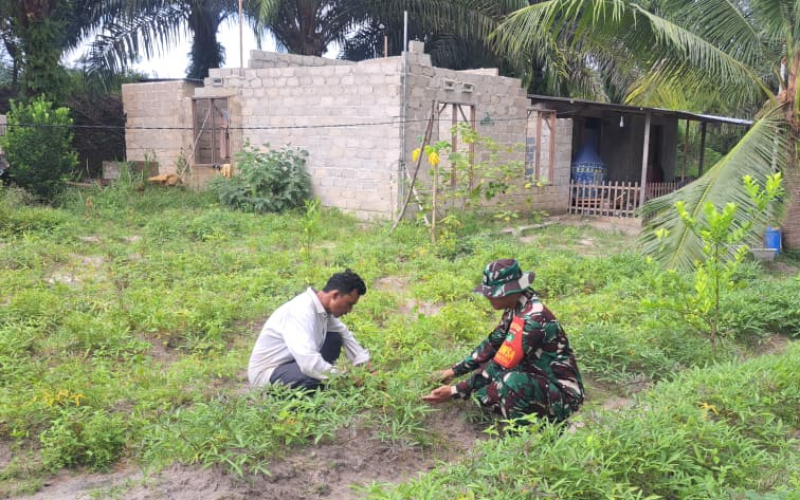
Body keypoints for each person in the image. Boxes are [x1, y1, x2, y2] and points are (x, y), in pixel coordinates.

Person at [423, 259, 584, 423]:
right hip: (536, 375)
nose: (487, 296)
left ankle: (531, 436)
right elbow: (493, 343)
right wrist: (453, 371)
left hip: (563, 395)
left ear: (513, 291)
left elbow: (499, 365)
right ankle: (529, 412)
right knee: (483, 394)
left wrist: (454, 391)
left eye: (494, 293)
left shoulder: (533, 320)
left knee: (508, 383)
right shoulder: (516, 306)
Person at [248, 269, 371, 390]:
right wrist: (344, 379)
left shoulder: (323, 310)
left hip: (294, 364)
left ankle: (320, 387)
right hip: (269, 373)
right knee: (309, 377)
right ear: (335, 295)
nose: (349, 310)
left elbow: (345, 335)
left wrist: (368, 369)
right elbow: (308, 363)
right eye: (349, 304)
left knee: (335, 338)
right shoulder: (301, 311)